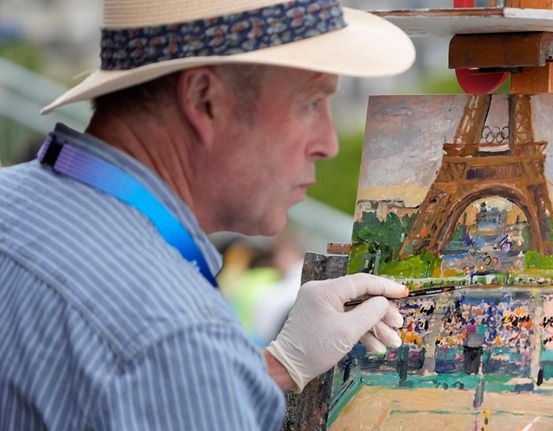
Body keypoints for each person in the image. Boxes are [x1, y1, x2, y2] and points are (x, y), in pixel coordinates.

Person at [0, 0, 415, 429]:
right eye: (311, 103)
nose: (328, 143)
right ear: (204, 99)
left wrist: (275, 365)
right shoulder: (176, 339)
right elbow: (158, 361)